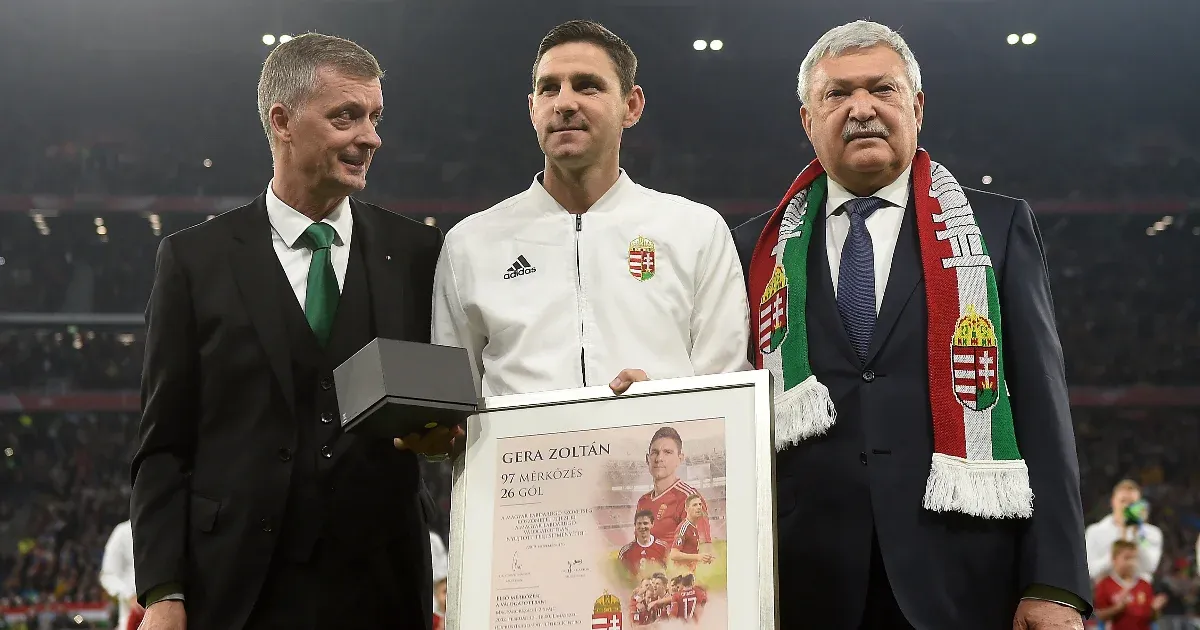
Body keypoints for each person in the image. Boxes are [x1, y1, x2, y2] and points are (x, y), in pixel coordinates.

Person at [730, 20, 1090, 629]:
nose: (861, 109)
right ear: (808, 120)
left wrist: (1056, 583)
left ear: (917, 106)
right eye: (837, 94)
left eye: (882, 89)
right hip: (803, 582)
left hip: (963, 577)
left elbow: (1041, 406)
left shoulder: (996, 228)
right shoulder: (755, 249)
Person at [130, 33, 450, 630]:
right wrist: (163, 590)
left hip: (381, 585)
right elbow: (163, 444)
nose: (371, 137)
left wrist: (442, 431)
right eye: (345, 116)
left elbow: (447, 396)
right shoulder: (194, 260)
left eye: (375, 117)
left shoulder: (417, 252)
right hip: (236, 588)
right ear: (282, 121)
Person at [431, 19, 749, 398]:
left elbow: (728, 391)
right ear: (533, 109)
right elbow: (449, 403)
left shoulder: (697, 231)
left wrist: (662, 404)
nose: (564, 103)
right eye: (549, 89)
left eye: (587, 86)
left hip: (662, 437)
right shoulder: (469, 243)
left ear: (631, 106)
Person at [635, 428, 711, 542]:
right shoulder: (643, 502)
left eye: (667, 452)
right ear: (647, 459)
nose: (659, 458)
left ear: (680, 459)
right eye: (654, 452)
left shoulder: (688, 498)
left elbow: (702, 548)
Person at [1086, 479, 1163, 582]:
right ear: (1113, 502)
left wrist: (1137, 534)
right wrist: (1117, 555)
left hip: (1139, 589)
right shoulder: (1095, 532)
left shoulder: (1151, 533)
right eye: (1123, 501)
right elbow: (1091, 571)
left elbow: (1150, 567)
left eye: (1132, 503)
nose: (1126, 507)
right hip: (1105, 589)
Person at [1093, 541, 1167, 630]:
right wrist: (1117, 608)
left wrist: (1155, 609)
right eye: (1127, 558)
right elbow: (1099, 615)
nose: (1131, 563)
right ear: (1114, 559)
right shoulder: (1104, 584)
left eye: (1134, 558)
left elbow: (1152, 617)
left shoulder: (1145, 585)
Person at [99, 519, 142, 630]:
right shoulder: (123, 532)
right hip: (131, 617)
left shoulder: (172, 529)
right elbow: (108, 575)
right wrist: (130, 595)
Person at [668, 495, 714, 575]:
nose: (699, 507)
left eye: (700, 504)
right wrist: (698, 557)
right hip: (681, 576)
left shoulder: (694, 527)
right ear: (686, 509)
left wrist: (704, 558)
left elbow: (690, 551)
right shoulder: (684, 527)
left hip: (689, 575)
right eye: (694, 505)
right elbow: (674, 555)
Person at [619, 510, 670, 578]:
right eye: (639, 523)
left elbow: (669, 572)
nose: (642, 527)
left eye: (645, 523)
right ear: (635, 525)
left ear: (652, 524)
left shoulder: (663, 547)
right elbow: (620, 577)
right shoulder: (625, 552)